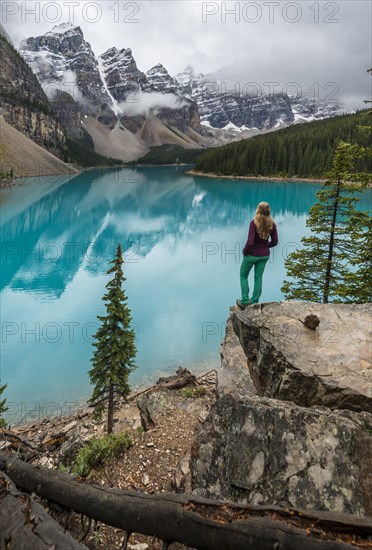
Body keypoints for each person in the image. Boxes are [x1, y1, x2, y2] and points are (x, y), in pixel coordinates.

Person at [236, 201, 278, 309]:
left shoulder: (253, 223)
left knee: (243, 276)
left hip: (251, 255)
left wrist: (245, 251)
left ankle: (245, 301)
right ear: (268, 211)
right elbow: (275, 242)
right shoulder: (272, 224)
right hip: (264, 256)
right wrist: (264, 247)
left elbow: (250, 242)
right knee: (258, 277)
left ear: (258, 210)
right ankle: (255, 301)